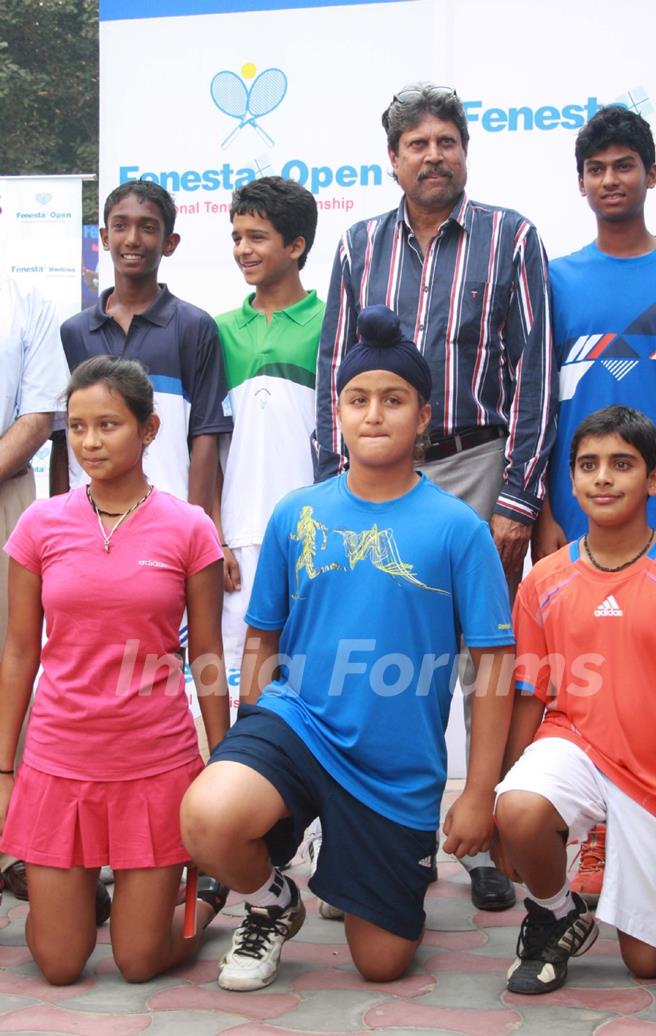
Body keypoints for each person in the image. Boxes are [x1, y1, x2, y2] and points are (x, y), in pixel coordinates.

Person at [181, 305, 515, 992]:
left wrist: (479, 791)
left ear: (423, 416)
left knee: (381, 964)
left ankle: (357, 856)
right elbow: (263, 638)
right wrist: (252, 737)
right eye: (358, 399)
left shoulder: (458, 529)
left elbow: (494, 665)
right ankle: (275, 904)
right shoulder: (295, 513)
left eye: (394, 400)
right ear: (336, 412)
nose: (374, 414)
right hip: (298, 724)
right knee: (209, 814)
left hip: (395, 767)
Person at [312, 81, 556, 912]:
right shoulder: (355, 247)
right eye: (416, 144)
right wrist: (326, 492)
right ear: (391, 160)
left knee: (474, 657)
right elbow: (332, 373)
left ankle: (479, 830)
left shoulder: (510, 238)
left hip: (473, 465)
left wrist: (518, 499)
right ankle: (384, 838)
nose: (433, 155)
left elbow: (534, 376)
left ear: (464, 150)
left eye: (446, 141)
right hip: (371, 479)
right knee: (382, 658)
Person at [533, 104, 656, 902]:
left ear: (652, 172)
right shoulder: (553, 277)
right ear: (580, 182)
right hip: (577, 512)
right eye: (597, 168)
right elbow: (534, 401)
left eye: (625, 165)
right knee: (588, 677)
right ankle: (600, 832)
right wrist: (542, 506)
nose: (612, 180)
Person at [0, 356, 230, 985]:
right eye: (76, 427)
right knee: (59, 964)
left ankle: (206, 899)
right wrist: (3, 770)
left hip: (153, 760)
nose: (90, 442)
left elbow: (206, 654)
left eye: (108, 424)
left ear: (149, 430)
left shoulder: (189, 528)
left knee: (138, 961)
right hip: (58, 761)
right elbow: (20, 651)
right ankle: (91, 899)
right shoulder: (39, 525)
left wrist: (225, 762)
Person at [494, 405, 656, 996]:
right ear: (570, 479)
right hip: (575, 745)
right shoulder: (544, 579)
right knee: (519, 807)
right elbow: (529, 695)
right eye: (588, 464)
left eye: (622, 464)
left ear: (655, 478)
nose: (602, 478)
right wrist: (501, 799)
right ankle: (557, 913)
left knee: (647, 961)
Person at [50, 180, 231, 513]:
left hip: (168, 519)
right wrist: (59, 519)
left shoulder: (193, 327)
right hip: (88, 521)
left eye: (147, 228)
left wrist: (197, 523)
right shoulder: (73, 332)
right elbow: (63, 439)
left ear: (169, 243)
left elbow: (205, 435)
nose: (132, 239)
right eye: (120, 226)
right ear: (105, 237)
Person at [213, 176, 323, 675]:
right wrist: (215, 534)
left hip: (315, 535)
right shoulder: (216, 331)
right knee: (240, 683)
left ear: (295, 246)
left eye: (257, 237)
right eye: (237, 237)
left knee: (316, 674)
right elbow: (207, 443)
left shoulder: (332, 322)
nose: (242, 249)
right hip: (237, 539)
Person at [0, 275, 77, 909]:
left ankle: (13, 847)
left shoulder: (29, 303)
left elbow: (37, 416)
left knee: (12, 657)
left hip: (5, 492)